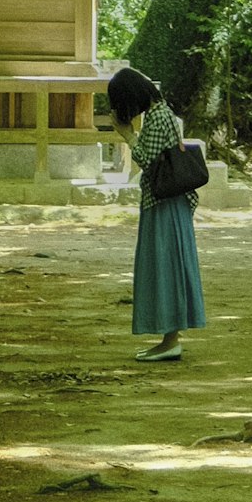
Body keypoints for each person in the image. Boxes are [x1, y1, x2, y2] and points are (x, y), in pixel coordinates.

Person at [108, 66, 205, 362]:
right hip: (170, 202)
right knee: (168, 266)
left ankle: (171, 339)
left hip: (163, 203)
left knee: (165, 267)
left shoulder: (158, 116)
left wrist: (127, 135)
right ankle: (168, 338)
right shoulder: (163, 112)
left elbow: (145, 158)